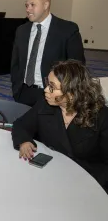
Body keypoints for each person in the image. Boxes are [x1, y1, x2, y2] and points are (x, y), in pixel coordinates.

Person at [12, 60, 108, 193]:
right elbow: (21, 125)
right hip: (51, 177)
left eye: (52, 87)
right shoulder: (45, 104)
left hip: (86, 182)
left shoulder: (101, 116)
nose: (46, 90)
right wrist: (24, 141)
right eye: (47, 84)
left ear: (72, 93)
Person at [11, 0, 85, 107]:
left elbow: (77, 66)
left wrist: (64, 94)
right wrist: (16, 86)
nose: (28, 9)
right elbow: (15, 62)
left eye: (32, 5)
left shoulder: (67, 29)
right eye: (26, 5)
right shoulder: (21, 30)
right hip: (23, 92)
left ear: (46, 5)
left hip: (53, 94)